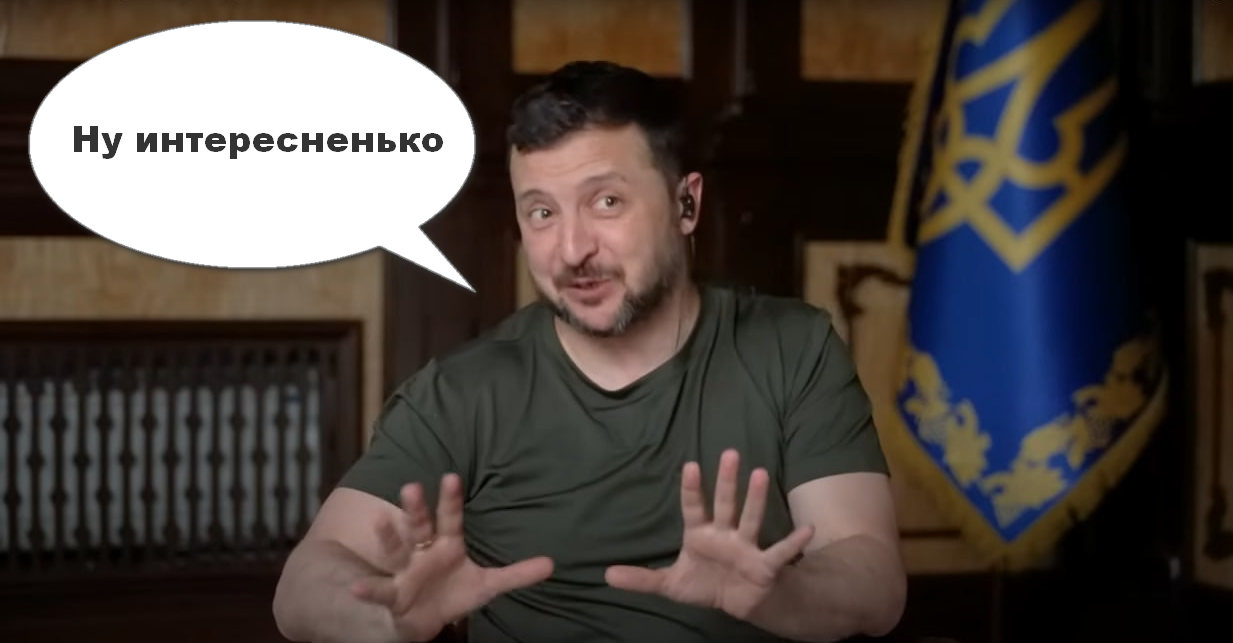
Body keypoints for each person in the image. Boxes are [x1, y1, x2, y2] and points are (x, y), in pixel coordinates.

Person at [273, 60, 906, 643]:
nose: (572, 249)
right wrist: (386, 619)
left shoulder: (793, 349)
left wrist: (779, 596)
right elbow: (302, 587)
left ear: (686, 204)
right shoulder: (462, 393)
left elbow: (873, 579)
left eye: (606, 202)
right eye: (541, 213)